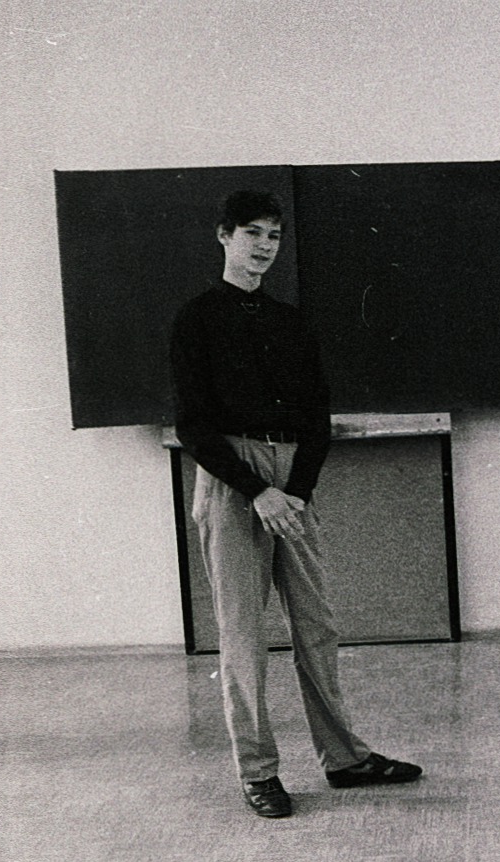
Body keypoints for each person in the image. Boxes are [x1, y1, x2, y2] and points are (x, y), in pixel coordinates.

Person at [173, 190, 422, 818]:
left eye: (274, 236)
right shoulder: (196, 319)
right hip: (233, 482)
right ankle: (258, 772)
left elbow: (317, 416)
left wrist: (295, 493)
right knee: (243, 634)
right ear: (224, 236)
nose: (264, 246)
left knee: (317, 624)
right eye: (252, 233)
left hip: (291, 484)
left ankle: (345, 759)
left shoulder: (291, 321)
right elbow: (193, 428)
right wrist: (257, 491)